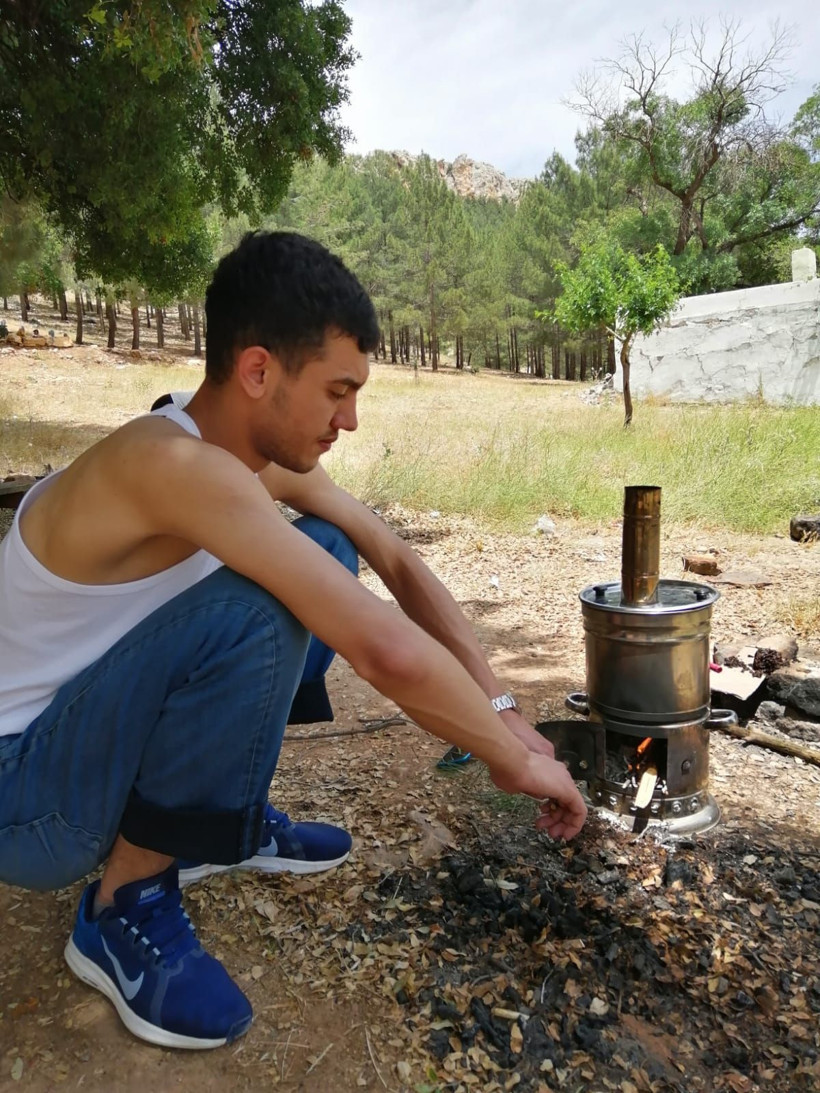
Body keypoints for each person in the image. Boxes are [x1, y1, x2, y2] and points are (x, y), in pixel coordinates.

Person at [0, 231, 587, 1051]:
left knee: (327, 549)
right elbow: (379, 645)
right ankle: (121, 905)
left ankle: (210, 821)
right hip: (23, 798)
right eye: (338, 391)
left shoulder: (233, 455)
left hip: (83, 731)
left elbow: (392, 555)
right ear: (258, 371)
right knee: (261, 609)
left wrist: (498, 701)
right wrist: (512, 758)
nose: (350, 419)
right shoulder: (170, 467)